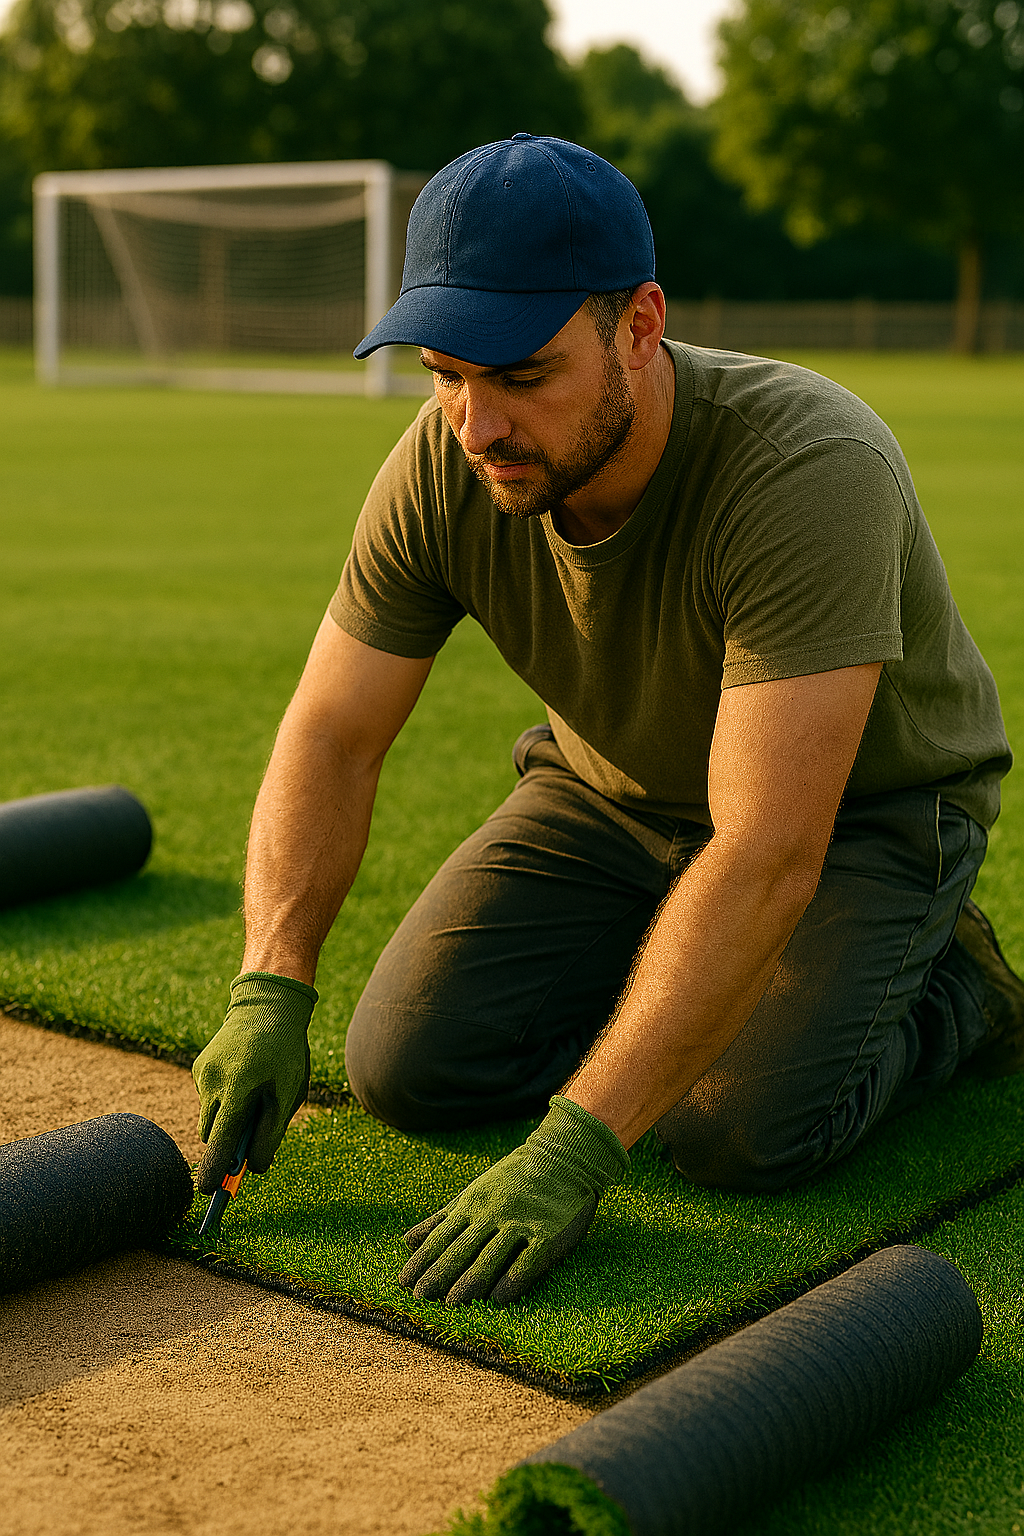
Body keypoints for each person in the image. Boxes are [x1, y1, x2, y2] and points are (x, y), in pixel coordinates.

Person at [192, 133, 1021, 1307]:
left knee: (730, 1132)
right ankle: (673, 985)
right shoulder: (447, 461)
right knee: (408, 1068)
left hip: (855, 822)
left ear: (639, 325)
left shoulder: (807, 467)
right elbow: (332, 731)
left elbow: (769, 846)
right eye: (445, 372)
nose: (476, 424)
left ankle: (954, 991)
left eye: (522, 374)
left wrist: (580, 1138)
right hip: (605, 795)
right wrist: (269, 984)